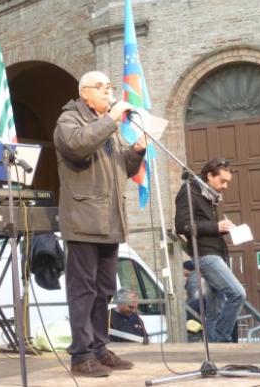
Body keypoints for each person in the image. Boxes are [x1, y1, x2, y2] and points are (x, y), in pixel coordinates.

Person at [53, 70, 146, 377]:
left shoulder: (110, 126)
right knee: (83, 290)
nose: (109, 93)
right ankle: (81, 356)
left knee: (105, 289)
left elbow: (122, 165)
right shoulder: (69, 121)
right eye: (103, 88)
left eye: (110, 88)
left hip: (110, 220)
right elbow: (78, 146)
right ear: (85, 94)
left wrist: (136, 152)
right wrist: (111, 120)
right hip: (83, 220)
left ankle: (99, 348)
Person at [174, 158, 246, 343]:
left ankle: (215, 348)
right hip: (206, 255)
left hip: (216, 253)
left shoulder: (210, 196)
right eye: (222, 181)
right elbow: (181, 225)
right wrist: (216, 227)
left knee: (215, 309)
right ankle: (222, 339)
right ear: (209, 176)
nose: (225, 186)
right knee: (238, 294)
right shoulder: (189, 191)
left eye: (228, 182)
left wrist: (223, 228)